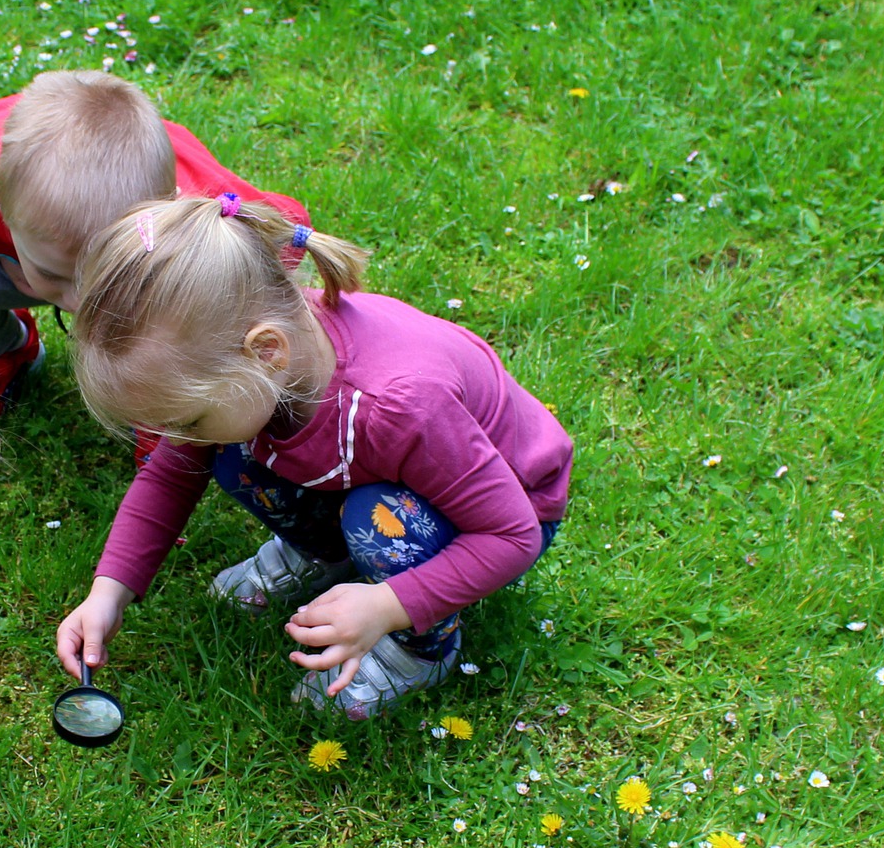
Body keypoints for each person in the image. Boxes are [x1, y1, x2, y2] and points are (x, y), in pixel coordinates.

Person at [54, 195, 572, 720]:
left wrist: (385, 606)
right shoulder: (247, 353)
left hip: (505, 509)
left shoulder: (400, 408)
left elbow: (511, 535)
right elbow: (170, 474)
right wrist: (109, 592)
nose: (171, 438)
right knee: (227, 452)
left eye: (184, 421)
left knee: (376, 514)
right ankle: (328, 556)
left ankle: (421, 651)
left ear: (266, 353)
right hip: (386, 466)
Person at [0, 69, 310, 429]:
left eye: (104, 276)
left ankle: (158, 395)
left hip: (148, 235)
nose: (82, 304)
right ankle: (5, 351)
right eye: (56, 275)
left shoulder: (204, 213)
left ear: (170, 206)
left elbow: (289, 231)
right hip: (12, 233)